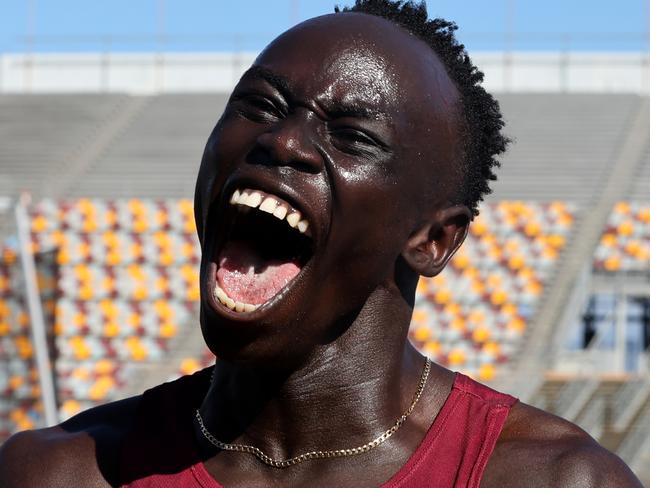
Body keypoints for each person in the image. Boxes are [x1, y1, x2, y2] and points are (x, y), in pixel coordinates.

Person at [0, 1, 642, 486]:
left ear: (434, 239)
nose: (282, 141)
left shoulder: (552, 479)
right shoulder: (61, 472)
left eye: (352, 136)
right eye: (259, 103)